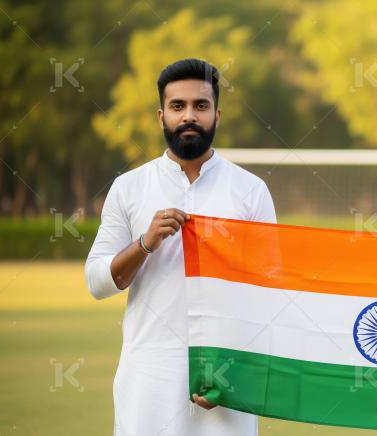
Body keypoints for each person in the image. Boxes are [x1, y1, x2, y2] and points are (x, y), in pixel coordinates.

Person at [85, 58, 276, 435]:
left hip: (225, 384)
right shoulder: (129, 187)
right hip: (147, 380)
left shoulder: (250, 190)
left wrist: (235, 371)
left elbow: (271, 295)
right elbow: (96, 282)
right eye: (178, 106)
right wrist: (145, 242)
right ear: (161, 116)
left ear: (217, 116)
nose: (189, 116)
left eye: (200, 106)